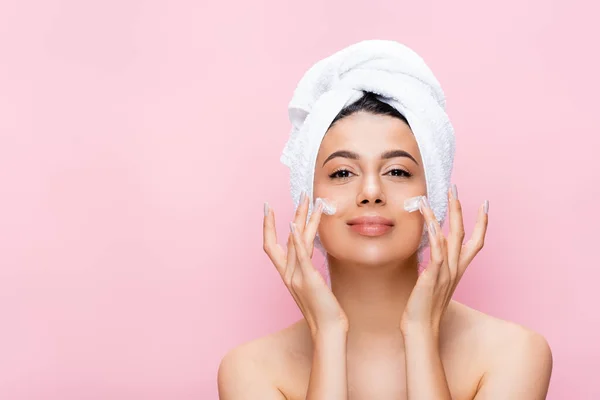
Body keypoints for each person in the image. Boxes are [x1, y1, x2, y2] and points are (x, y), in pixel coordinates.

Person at [218, 44, 553, 400]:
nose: (371, 192)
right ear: (307, 196)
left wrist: (421, 332)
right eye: (343, 172)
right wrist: (329, 335)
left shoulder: (514, 354)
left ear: (434, 195)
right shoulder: (251, 370)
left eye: (397, 171)